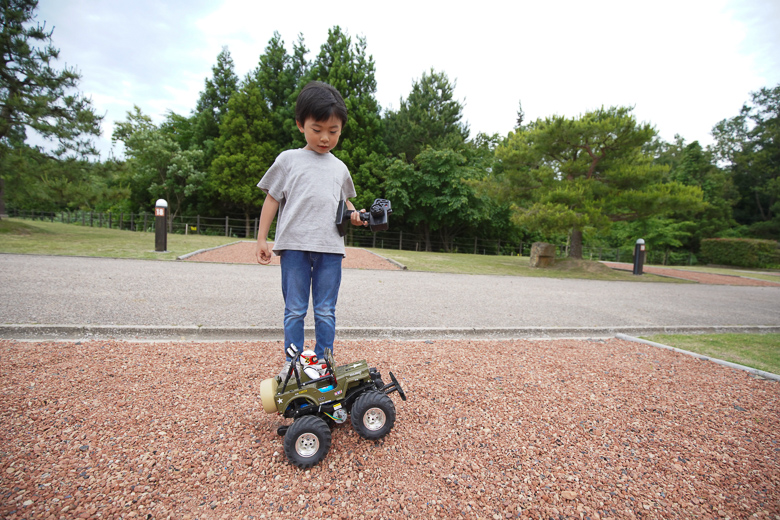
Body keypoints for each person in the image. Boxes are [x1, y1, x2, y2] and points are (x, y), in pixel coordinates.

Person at [255, 81, 365, 377]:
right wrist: (261, 239)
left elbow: (344, 204)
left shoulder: (340, 168)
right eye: (317, 130)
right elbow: (271, 198)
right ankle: (295, 365)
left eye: (334, 131)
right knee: (294, 310)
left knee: (326, 311)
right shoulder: (288, 160)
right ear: (300, 125)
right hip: (293, 248)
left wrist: (356, 216)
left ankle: (324, 362)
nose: (325, 138)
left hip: (330, 249)